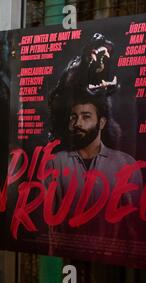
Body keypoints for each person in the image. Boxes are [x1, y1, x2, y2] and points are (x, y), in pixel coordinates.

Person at [46, 92, 143, 251]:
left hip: (111, 262)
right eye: (73, 117)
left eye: (86, 117)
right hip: (67, 256)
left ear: (102, 122)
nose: (78, 123)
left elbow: (134, 228)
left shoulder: (126, 164)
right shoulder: (56, 162)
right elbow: (47, 225)